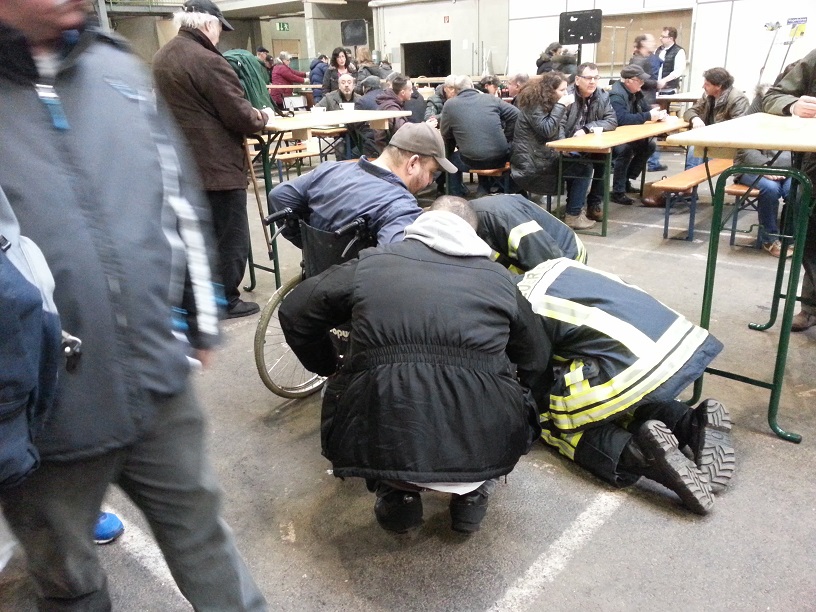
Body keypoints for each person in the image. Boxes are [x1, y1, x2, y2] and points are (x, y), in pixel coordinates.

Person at [0, 0, 268, 609]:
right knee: (68, 579)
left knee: (205, 542)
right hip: (46, 410)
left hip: (156, 377)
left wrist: (200, 313)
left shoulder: (116, 68)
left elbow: (176, 193)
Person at [277, 197, 551, 534]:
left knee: (366, 389)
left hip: (385, 443)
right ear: (472, 234)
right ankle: (473, 494)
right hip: (484, 451)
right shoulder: (501, 281)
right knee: (508, 389)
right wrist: (520, 404)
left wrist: (328, 366)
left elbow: (295, 312)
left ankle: (397, 495)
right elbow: (538, 358)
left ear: (422, 223)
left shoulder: (371, 264)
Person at [515, 258, 733, 514]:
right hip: (678, 346)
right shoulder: (553, 266)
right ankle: (690, 422)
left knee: (550, 418)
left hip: (631, 366)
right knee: (610, 399)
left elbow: (534, 373)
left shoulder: (517, 308)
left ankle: (640, 454)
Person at [153, 0, 270, 319]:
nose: (220, 36)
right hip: (217, 168)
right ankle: (224, 300)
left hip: (181, 166)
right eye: (219, 28)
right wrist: (262, 116)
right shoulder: (208, 61)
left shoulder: (163, 56)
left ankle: (191, 302)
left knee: (192, 240)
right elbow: (240, 116)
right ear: (208, 25)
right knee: (229, 239)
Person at [268, 122, 457, 246]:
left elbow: (278, 196)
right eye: (431, 172)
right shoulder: (399, 206)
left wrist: (310, 245)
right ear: (413, 163)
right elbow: (396, 264)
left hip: (317, 278)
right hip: (359, 290)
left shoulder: (328, 170)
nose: (431, 181)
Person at [763, 47, 816, 332]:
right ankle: (810, 307)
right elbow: (773, 96)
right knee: (809, 238)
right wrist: (794, 106)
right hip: (813, 168)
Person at [510, 73, 594, 229]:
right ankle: (573, 215)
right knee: (583, 168)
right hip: (532, 163)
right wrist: (561, 106)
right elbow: (547, 130)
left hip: (543, 156)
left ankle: (574, 211)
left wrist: (563, 148)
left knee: (582, 163)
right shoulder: (534, 105)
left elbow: (558, 127)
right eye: (562, 90)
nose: (566, 94)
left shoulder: (548, 104)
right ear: (549, 90)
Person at [440, 75, 519, 197]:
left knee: (452, 159)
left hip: (472, 160)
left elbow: (445, 134)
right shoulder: (490, 99)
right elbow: (516, 114)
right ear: (472, 87)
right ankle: (484, 188)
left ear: (455, 90)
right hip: (501, 158)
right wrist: (507, 137)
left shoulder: (450, 105)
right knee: (481, 151)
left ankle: (455, 196)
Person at [560, 62, 619, 223]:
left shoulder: (602, 95)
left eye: (596, 78)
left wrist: (587, 128)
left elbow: (612, 121)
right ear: (577, 80)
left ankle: (593, 204)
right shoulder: (567, 95)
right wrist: (562, 145)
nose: (592, 82)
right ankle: (574, 210)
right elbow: (559, 124)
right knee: (583, 165)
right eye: (588, 78)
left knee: (606, 157)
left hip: (589, 144)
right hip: (567, 146)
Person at [470, 193, 588, 268]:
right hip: (534, 256)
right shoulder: (472, 213)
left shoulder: (508, 221)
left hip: (568, 258)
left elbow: (550, 264)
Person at [608, 64, 667, 205]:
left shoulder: (635, 92)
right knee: (625, 150)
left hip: (628, 134)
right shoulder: (616, 95)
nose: (642, 83)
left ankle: (626, 179)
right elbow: (621, 119)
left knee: (649, 146)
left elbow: (646, 110)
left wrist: (657, 114)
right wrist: (648, 116)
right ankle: (618, 191)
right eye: (639, 80)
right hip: (613, 136)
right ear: (628, 81)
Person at [683, 67, 749, 169]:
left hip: (726, 143)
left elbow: (739, 127)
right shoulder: (708, 96)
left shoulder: (738, 99)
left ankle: (690, 177)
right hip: (709, 139)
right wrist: (695, 119)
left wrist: (711, 133)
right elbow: (689, 111)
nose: (703, 87)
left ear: (718, 86)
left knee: (696, 149)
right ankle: (689, 177)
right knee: (695, 147)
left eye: (707, 84)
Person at [650, 26, 687, 172]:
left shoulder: (679, 51)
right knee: (653, 120)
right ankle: (653, 158)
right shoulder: (658, 50)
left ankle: (654, 157)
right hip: (655, 89)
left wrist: (664, 80)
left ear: (671, 38)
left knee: (661, 117)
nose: (661, 38)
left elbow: (678, 70)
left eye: (663, 36)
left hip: (668, 89)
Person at [630, 34, 660, 106]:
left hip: (645, 100)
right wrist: (657, 83)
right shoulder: (639, 60)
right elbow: (638, 79)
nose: (654, 44)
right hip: (643, 101)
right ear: (643, 43)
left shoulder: (644, 59)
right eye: (651, 41)